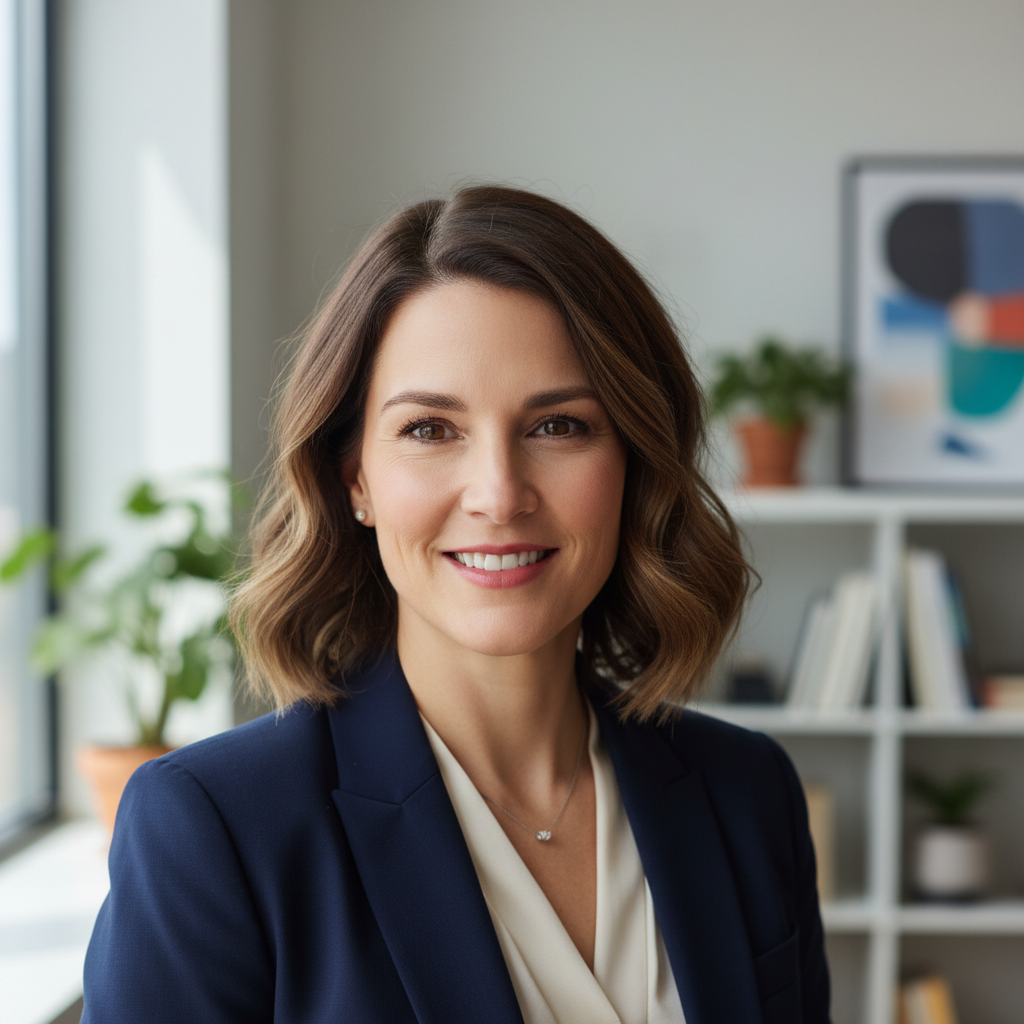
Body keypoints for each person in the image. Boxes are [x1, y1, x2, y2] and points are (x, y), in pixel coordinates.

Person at [81, 185, 830, 1024]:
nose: (500, 495)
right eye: (431, 430)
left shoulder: (746, 791)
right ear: (354, 477)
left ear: (635, 461)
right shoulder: (213, 828)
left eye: (559, 427)